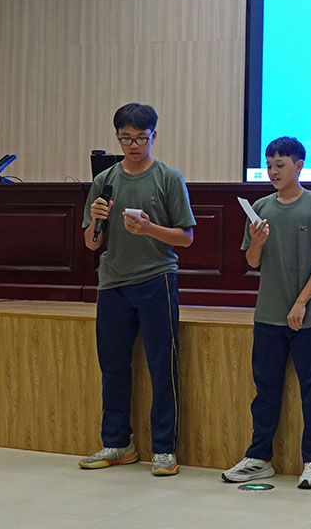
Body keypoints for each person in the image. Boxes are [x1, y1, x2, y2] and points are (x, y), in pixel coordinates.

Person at [79, 103, 196, 476]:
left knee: (162, 367)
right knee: (113, 366)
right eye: (126, 139)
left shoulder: (168, 178)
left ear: (153, 136)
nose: (133, 146)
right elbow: (91, 243)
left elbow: (186, 237)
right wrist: (95, 220)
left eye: (141, 139)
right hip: (113, 283)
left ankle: (164, 449)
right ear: (117, 137)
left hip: (156, 279)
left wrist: (149, 229)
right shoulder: (105, 180)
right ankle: (118, 443)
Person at [222, 137, 311, 489]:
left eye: (281, 164)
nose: (273, 171)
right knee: (265, 391)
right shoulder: (261, 207)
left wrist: (302, 301)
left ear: (299, 165)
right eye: (269, 164)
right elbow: (251, 261)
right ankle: (259, 458)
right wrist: (257, 242)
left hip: (308, 318)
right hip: (268, 315)